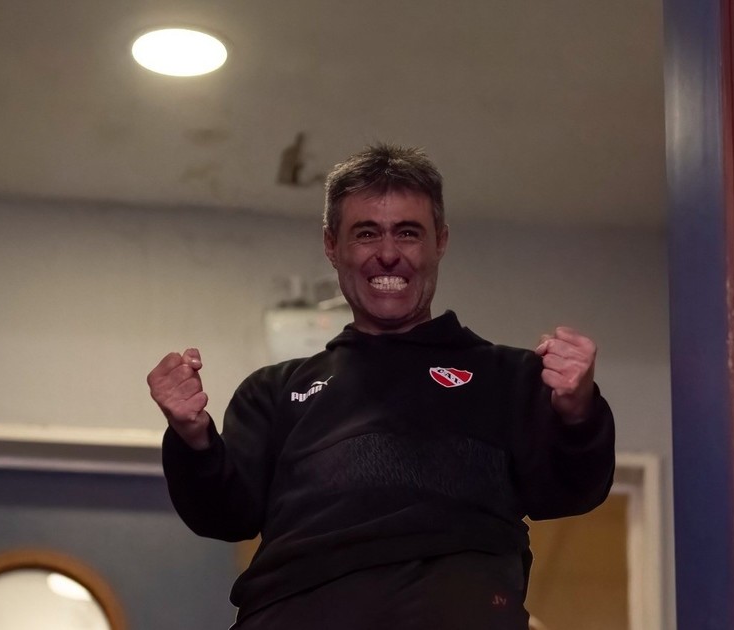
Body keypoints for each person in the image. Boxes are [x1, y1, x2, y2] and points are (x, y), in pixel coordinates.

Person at [148, 144, 615, 629]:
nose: (388, 254)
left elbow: (569, 493)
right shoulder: (274, 392)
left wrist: (578, 413)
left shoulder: (508, 377)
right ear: (332, 245)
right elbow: (225, 517)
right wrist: (193, 439)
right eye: (366, 233)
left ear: (440, 242)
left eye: (408, 233)